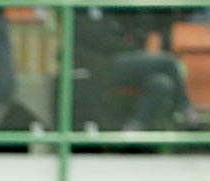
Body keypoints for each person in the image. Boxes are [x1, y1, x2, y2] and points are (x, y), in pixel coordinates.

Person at [72, 7, 200, 131]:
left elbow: (142, 27)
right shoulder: (77, 11)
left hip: (123, 59)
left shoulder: (112, 9)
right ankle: (186, 108)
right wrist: (131, 49)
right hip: (103, 65)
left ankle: (133, 129)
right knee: (168, 62)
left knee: (162, 83)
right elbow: (102, 43)